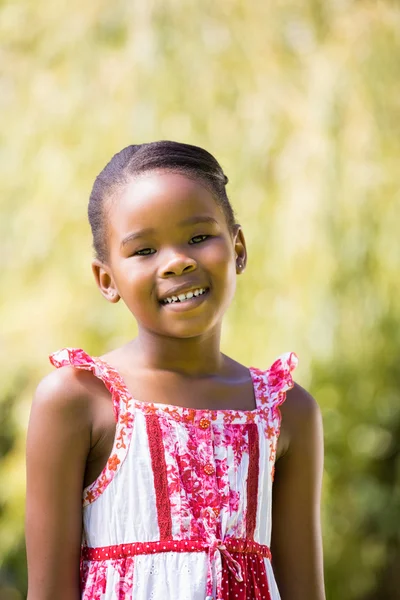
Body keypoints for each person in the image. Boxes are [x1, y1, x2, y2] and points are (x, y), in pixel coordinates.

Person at [25, 141, 325, 600]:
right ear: (107, 279)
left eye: (199, 237)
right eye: (143, 249)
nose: (177, 261)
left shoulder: (285, 410)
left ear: (238, 248)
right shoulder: (78, 399)